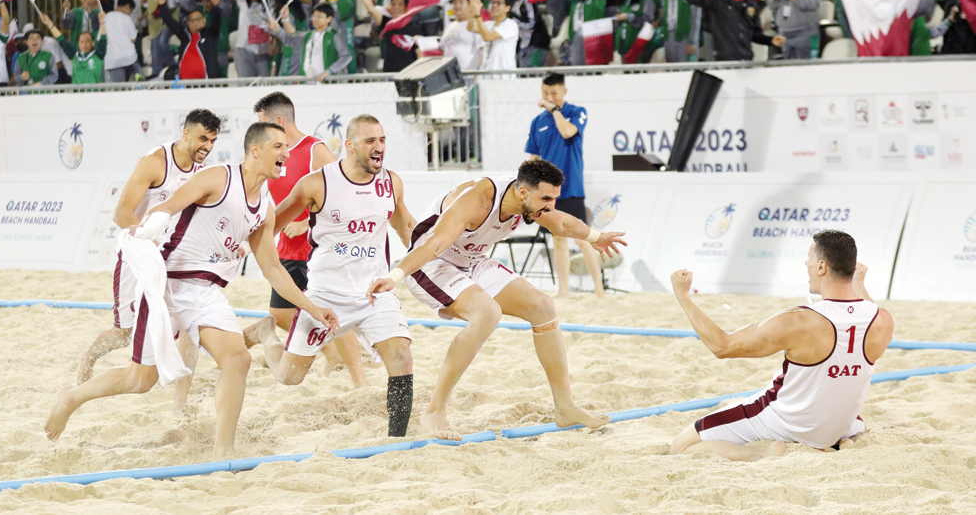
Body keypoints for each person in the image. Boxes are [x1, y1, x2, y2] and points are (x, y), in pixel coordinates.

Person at [46, 122, 340, 460]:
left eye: (287, 147)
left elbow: (272, 269)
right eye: (278, 146)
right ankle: (72, 397)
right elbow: (166, 207)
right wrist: (149, 231)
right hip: (169, 287)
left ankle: (222, 451)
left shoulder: (266, 208)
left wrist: (312, 308)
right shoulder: (218, 177)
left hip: (207, 292)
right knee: (141, 381)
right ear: (255, 150)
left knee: (237, 359)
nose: (286, 153)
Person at [368, 159, 626, 438]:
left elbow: (561, 222)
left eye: (554, 198)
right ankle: (434, 410)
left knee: (543, 306)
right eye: (547, 199)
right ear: (523, 193)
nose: (551, 206)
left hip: (472, 261)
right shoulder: (478, 198)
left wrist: (596, 236)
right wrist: (394, 277)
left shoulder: (531, 201)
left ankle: (565, 407)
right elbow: (434, 244)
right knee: (487, 313)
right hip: (432, 264)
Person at [247, 115, 417, 436]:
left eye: (382, 140)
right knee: (289, 376)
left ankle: (398, 438)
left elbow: (405, 225)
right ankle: (265, 334)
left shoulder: (391, 182)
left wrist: (432, 256)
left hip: (373, 292)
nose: (379, 148)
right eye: (370, 142)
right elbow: (271, 226)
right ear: (350, 146)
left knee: (401, 357)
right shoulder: (316, 183)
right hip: (325, 296)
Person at [669, 231, 894, 461]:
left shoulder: (798, 320)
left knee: (681, 446)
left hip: (788, 423)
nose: (806, 263)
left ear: (822, 267)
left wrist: (683, 296)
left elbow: (722, 346)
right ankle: (842, 441)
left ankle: (762, 453)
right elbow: (865, 309)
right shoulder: (883, 321)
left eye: (810, 258)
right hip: (838, 427)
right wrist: (859, 284)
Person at [75, 109, 223, 418]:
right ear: (185, 134)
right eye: (202, 138)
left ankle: (179, 408)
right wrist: (149, 243)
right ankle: (86, 362)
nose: (207, 145)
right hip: (138, 256)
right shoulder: (156, 162)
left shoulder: (202, 170)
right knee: (125, 334)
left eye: (212, 140)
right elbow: (121, 214)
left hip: (172, 259)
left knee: (188, 329)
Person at [251, 92, 364, 385]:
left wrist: (305, 224)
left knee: (332, 311)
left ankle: (359, 379)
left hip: (315, 247)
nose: (260, 131)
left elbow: (344, 196)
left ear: (279, 121)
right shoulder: (275, 154)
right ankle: (332, 354)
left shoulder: (315, 150)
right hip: (286, 246)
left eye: (263, 123)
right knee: (282, 313)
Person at [524, 74, 605, 298]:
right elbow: (533, 156)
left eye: (554, 94)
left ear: (564, 92)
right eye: (545, 93)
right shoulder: (537, 122)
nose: (549, 98)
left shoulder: (577, 112)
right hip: (546, 192)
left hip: (571, 187)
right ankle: (564, 291)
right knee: (557, 240)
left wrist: (555, 110)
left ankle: (600, 290)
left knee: (584, 238)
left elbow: (568, 132)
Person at [659, 0, 785, 61]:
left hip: (746, 60)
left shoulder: (751, 5)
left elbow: (755, 35)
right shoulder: (717, 1)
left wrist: (770, 41)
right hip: (723, 61)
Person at [272, 3, 351, 81]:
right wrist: (279, 28)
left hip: (327, 83)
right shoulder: (309, 35)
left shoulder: (334, 36)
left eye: (319, 16)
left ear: (329, 19)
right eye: (314, 16)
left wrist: (329, 71)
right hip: (308, 81)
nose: (315, 19)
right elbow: (289, 40)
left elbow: (346, 56)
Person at [155, 0, 223, 80]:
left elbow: (216, 20)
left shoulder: (211, 34)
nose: (195, 22)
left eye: (198, 19)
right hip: (184, 86)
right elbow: (169, 21)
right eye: (192, 20)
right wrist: (162, 2)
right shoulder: (184, 35)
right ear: (187, 23)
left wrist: (215, 6)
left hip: (206, 86)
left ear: (204, 21)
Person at [39, 12, 108, 84]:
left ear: (93, 43)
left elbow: (103, 39)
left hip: (94, 93)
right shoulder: (75, 55)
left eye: (87, 41)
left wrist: (102, 23)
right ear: (78, 44)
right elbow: (61, 40)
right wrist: (49, 23)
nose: (84, 44)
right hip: (77, 94)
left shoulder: (98, 54)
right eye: (81, 42)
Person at [470, 0, 518, 72]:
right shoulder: (490, 24)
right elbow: (471, 27)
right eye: (493, 3)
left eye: (499, 3)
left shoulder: (511, 24)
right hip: (489, 72)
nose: (494, 5)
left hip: (505, 74)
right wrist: (473, 10)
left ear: (508, 8)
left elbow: (487, 37)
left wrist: (477, 15)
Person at [440, 0, 485, 71]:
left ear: (470, 6)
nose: (457, 5)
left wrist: (478, 73)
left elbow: (483, 50)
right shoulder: (450, 26)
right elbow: (443, 48)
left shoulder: (476, 25)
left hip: (469, 73)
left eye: (461, 2)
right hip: (450, 73)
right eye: (454, 3)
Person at [103, 0, 140, 82]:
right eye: (130, 11)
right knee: (141, 84)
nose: (130, 14)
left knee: (119, 90)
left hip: (112, 61)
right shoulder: (126, 18)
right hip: (129, 58)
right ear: (127, 6)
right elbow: (133, 38)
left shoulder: (105, 18)